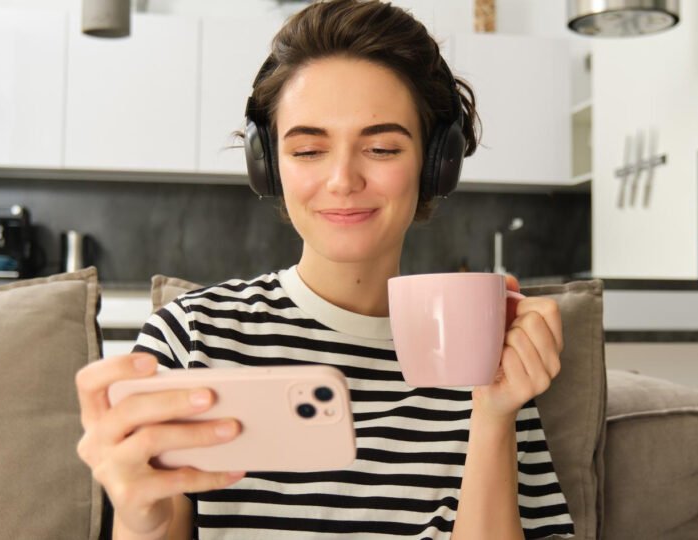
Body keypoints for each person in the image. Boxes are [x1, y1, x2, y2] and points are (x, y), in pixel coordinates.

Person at [75, 1, 575, 538]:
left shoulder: (486, 353)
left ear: (436, 163)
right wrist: (138, 515)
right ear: (267, 164)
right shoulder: (191, 337)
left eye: (381, 147)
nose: (342, 179)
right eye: (309, 149)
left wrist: (494, 415)